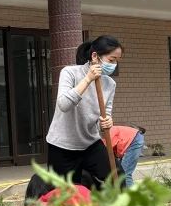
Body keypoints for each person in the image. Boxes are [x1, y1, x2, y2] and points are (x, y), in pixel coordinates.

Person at [45, 35, 124, 189]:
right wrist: (88, 79)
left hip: (90, 144)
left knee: (117, 178)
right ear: (95, 56)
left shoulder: (109, 84)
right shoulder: (69, 73)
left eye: (117, 61)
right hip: (62, 146)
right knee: (65, 194)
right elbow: (63, 104)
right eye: (111, 60)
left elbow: (105, 115)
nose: (114, 65)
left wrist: (107, 121)